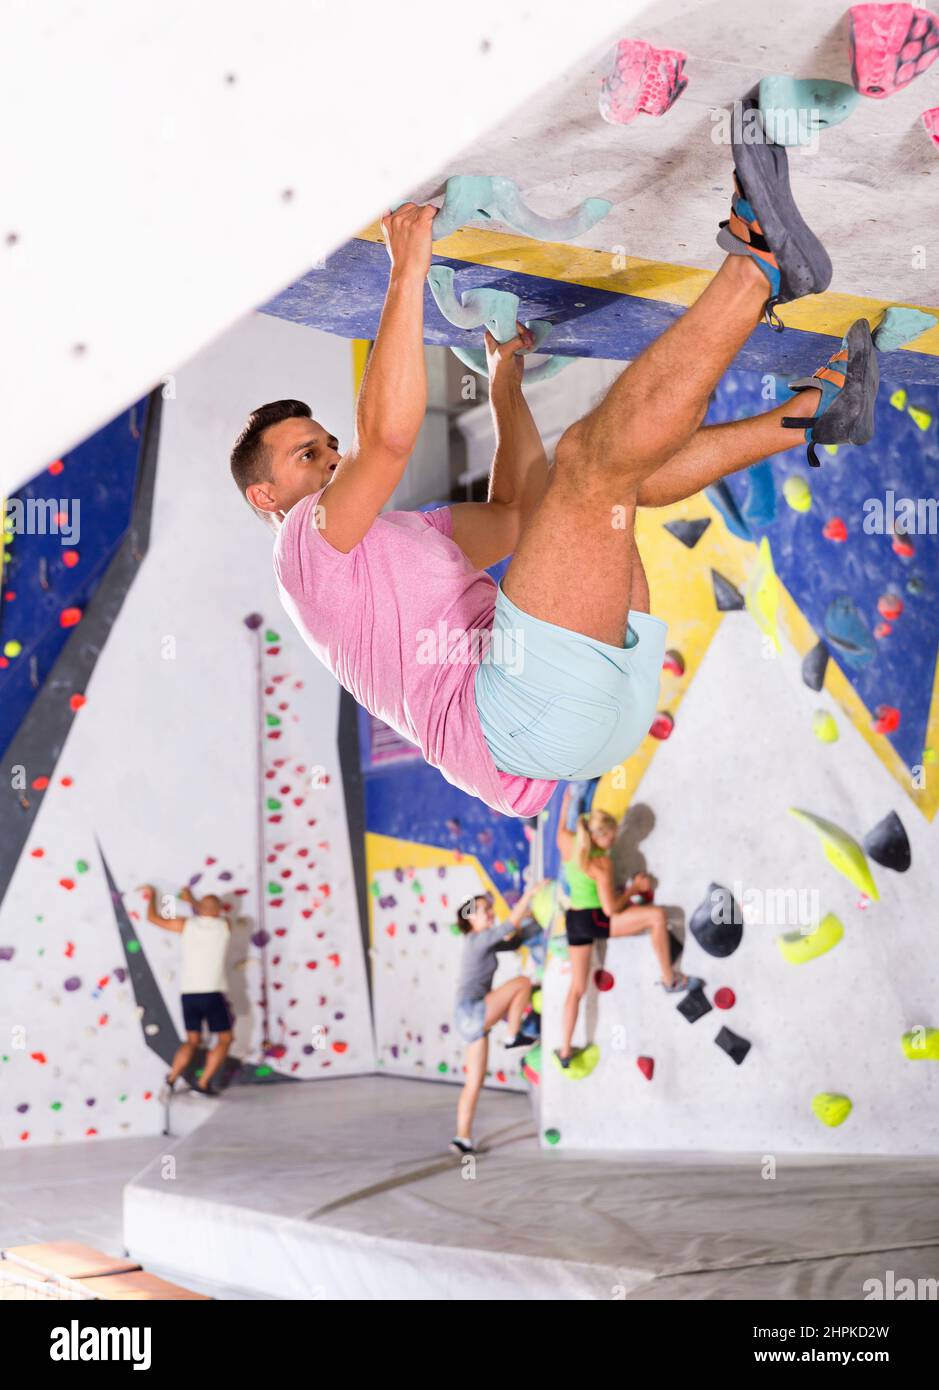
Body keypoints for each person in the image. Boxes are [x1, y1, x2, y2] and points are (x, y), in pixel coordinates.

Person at [230, 99, 877, 818]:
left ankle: (814, 415)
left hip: (584, 718)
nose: (329, 457)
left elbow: (515, 515)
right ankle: (757, 266)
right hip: (520, 717)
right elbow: (384, 440)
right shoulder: (300, 554)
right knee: (591, 462)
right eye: (305, 453)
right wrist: (407, 266)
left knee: (612, 486)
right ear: (265, 497)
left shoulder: (398, 544)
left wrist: (502, 382)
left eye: (325, 444)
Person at [554, 787, 697, 1069]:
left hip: (574, 920)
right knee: (656, 916)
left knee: (576, 988)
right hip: (596, 919)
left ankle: (566, 1050)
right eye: (610, 836)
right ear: (596, 836)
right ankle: (670, 980)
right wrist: (635, 887)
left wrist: (567, 801)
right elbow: (611, 910)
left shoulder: (567, 842)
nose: (614, 839)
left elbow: (561, 825)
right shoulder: (601, 863)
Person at [450, 881, 546, 1156]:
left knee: (474, 1082)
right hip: (472, 1010)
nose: (490, 914)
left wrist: (531, 924)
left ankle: (462, 1138)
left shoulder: (483, 944)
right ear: (469, 917)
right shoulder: (477, 941)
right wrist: (528, 896)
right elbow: (506, 929)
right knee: (522, 982)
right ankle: (513, 1036)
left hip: (466, 1017)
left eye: (489, 909)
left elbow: (513, 938)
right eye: (483, 910)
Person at [141, 885, 233, 1098]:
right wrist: (192, 900)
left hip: (189, 993)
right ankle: (202, 1084)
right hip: (212, 992)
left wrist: (153, 896)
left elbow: (153, 918)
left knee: (191, 1041)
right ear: (219, 910)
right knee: (225, 1039)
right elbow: (209, 910)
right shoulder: (224, 925)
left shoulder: (186, 925)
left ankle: (172, 1079)